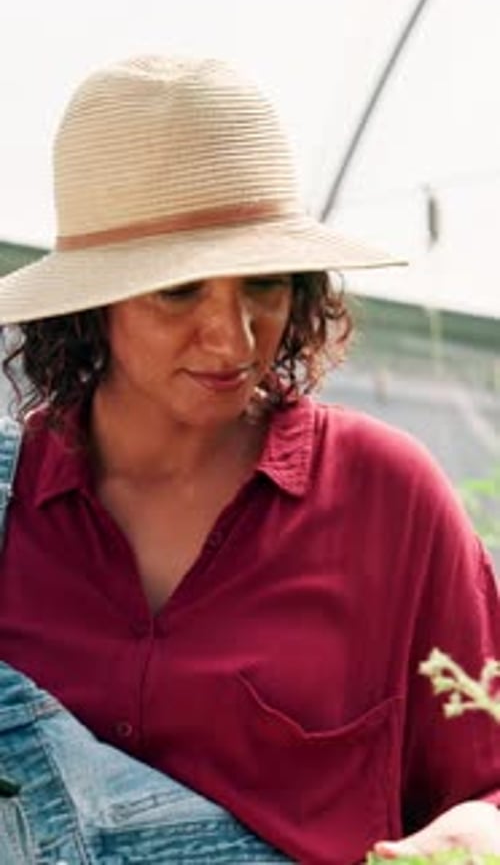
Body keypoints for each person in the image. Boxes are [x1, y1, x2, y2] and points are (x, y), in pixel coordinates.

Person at [0, 54, 499, 864]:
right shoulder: (9, 505)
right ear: (90, 303)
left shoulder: (384, 499)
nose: (234, 339)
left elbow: (489, 779)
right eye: (180, 291)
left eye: (264, 285)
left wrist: (469, 834)